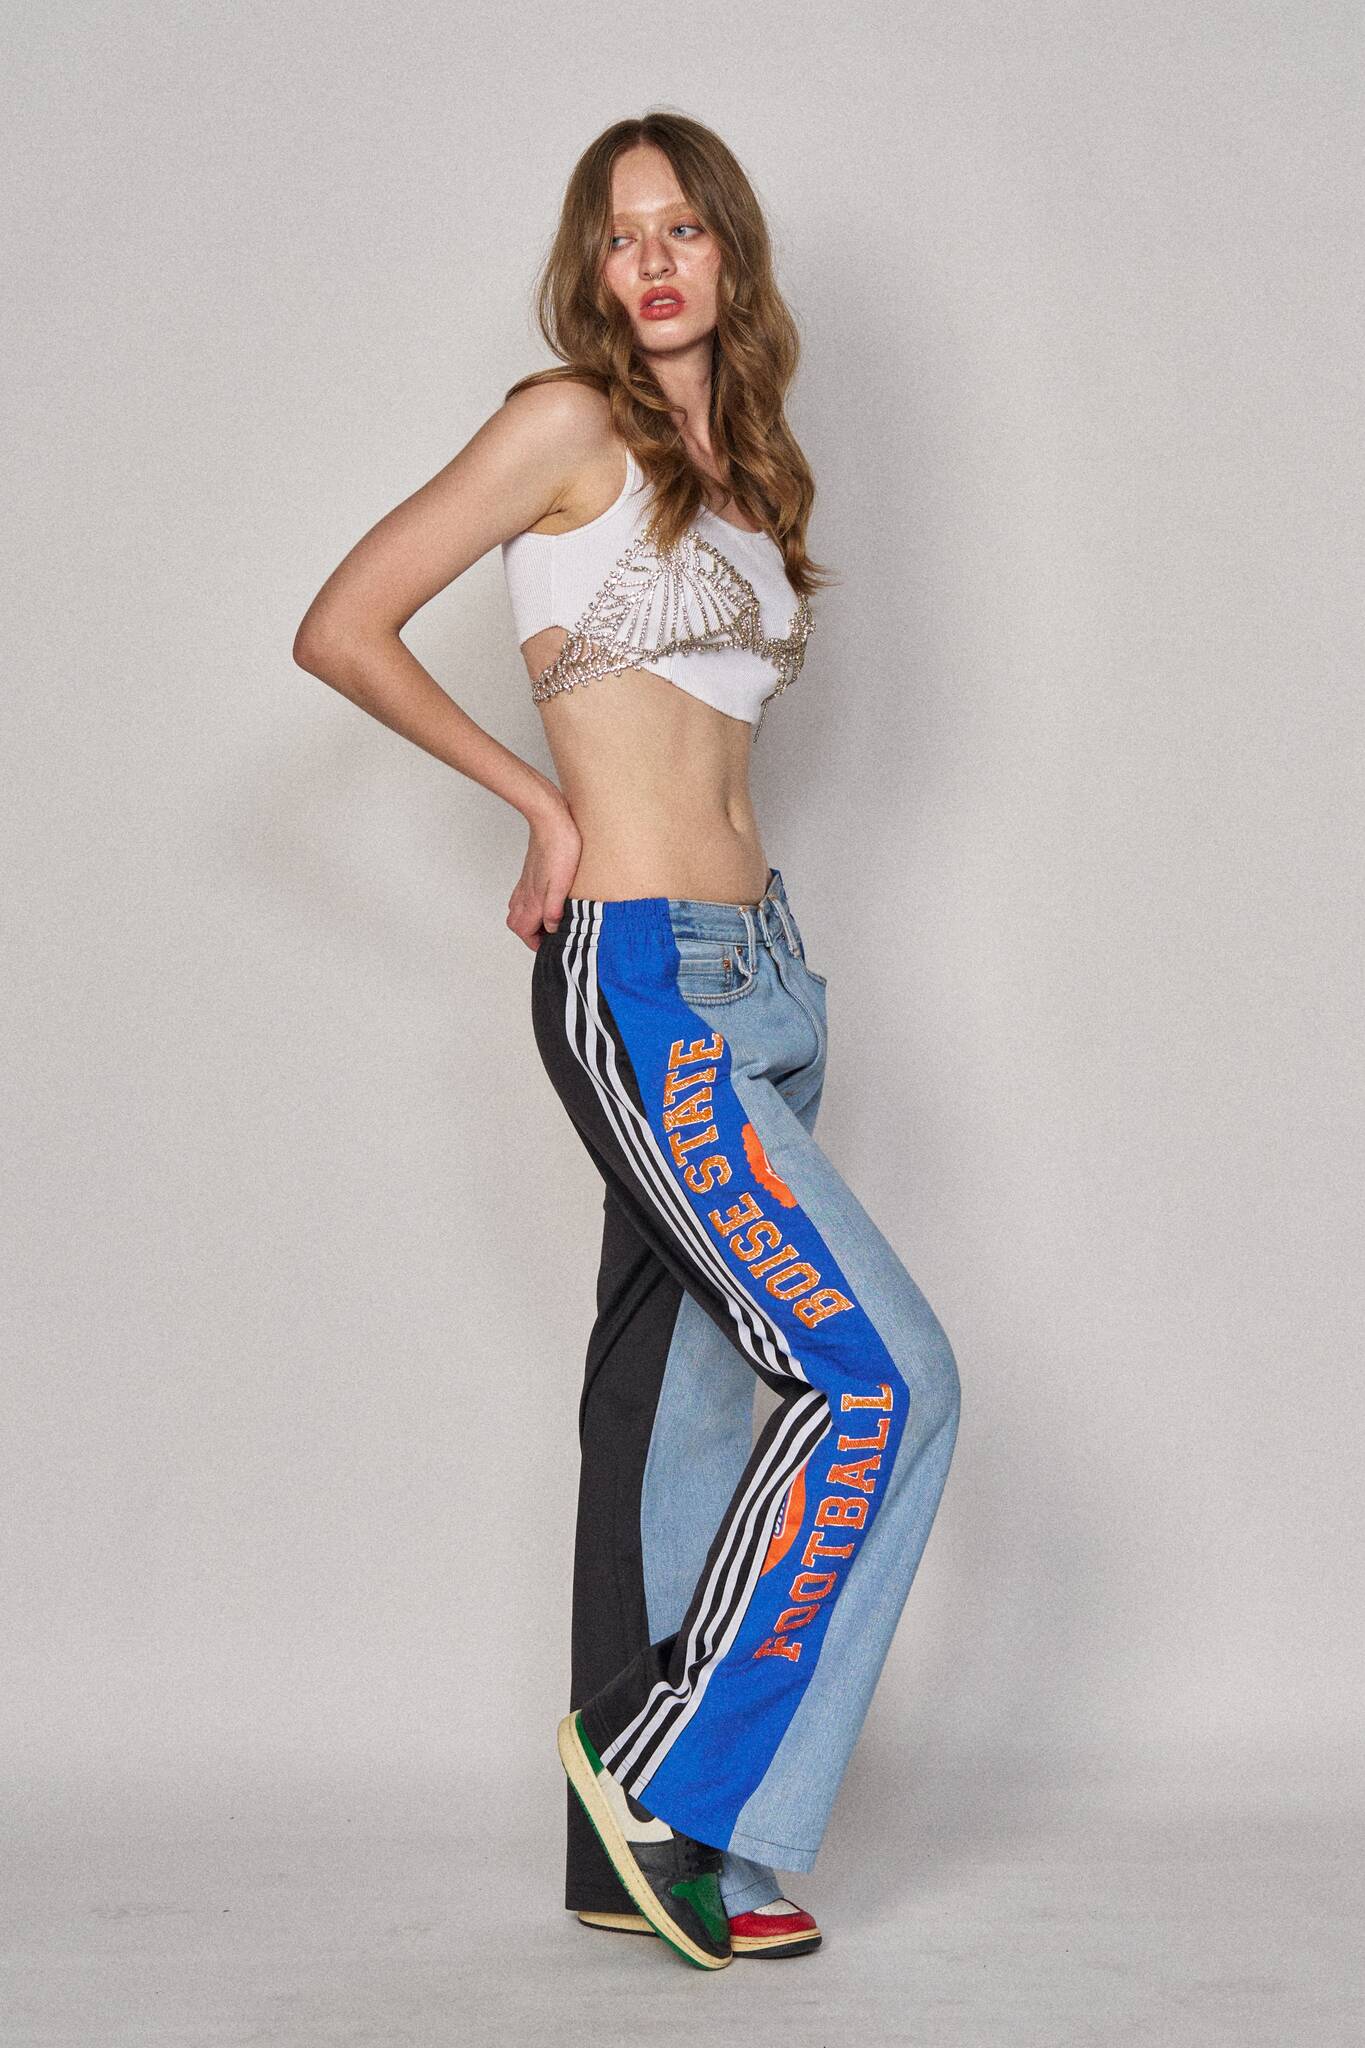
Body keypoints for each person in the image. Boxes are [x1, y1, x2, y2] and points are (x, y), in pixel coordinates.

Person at [293, 110, 961, 1972]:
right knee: (878, 1381)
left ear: (730, 252)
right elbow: (342, 626)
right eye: (617, 235)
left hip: (768, 977)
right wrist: (538, 804)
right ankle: (664, 1776)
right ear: (589, 271)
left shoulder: (745, 470)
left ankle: (637, 1864)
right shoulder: (564, 423)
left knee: (682, 1404)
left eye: (681, 229)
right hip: (644, 976)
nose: (651, 261)